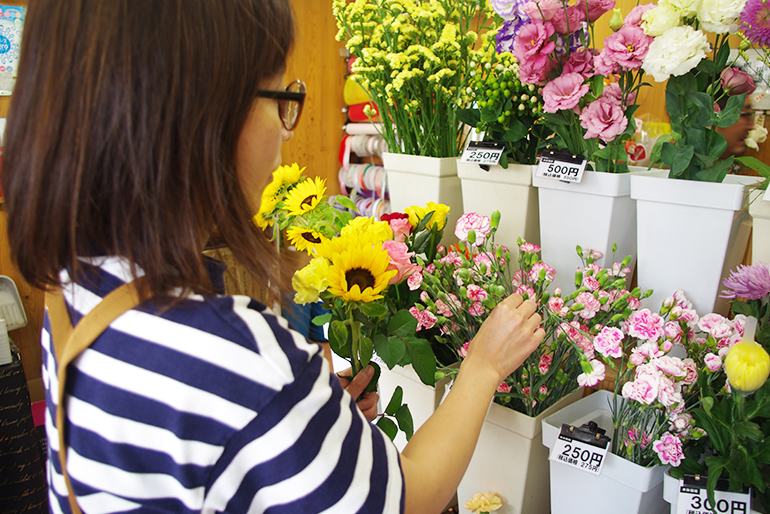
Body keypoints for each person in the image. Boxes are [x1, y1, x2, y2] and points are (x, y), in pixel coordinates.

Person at [1, 1, 544, 513]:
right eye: (282, 99)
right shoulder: (236, 357)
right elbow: (408, 498)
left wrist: (296, 437)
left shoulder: (74, 281)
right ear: (204, 117)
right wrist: (482, 366)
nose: (287, 132)